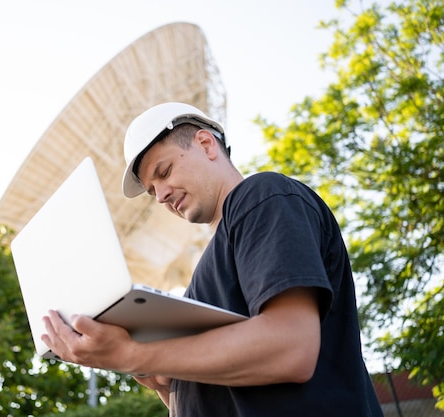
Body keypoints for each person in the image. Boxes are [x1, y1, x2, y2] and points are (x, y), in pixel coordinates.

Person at [42, 102, 384, 416]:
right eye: (151, 191)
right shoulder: (198, 291)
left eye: (163, 171)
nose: (160, 195)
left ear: (206, 145)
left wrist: (133, 354)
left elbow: (291, 347)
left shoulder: (262, 197)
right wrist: (159, 376)